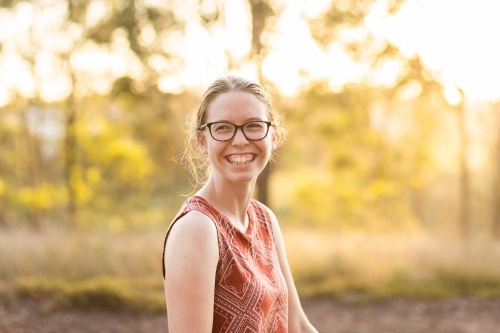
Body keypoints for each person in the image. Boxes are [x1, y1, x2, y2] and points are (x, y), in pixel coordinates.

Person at [162, 75, 318, 333]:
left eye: (253, 125)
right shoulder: (197, 229)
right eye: (223, 128)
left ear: (273, 136)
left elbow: (297, 326)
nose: (240, 140)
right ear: (203, 142)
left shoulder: (264, 218)